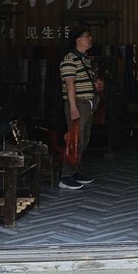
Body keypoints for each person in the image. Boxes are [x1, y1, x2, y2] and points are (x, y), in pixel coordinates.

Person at [59, 26, 99, 190]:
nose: (90, 39)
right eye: (87, 36)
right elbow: (70, 84)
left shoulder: (84, 59)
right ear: (78, 40)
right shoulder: (70, 59)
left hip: (86, 104)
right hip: (78, 104)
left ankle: (74, 172)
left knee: (84, 139)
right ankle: (66, 177)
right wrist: (73, 107)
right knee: (75, 140)